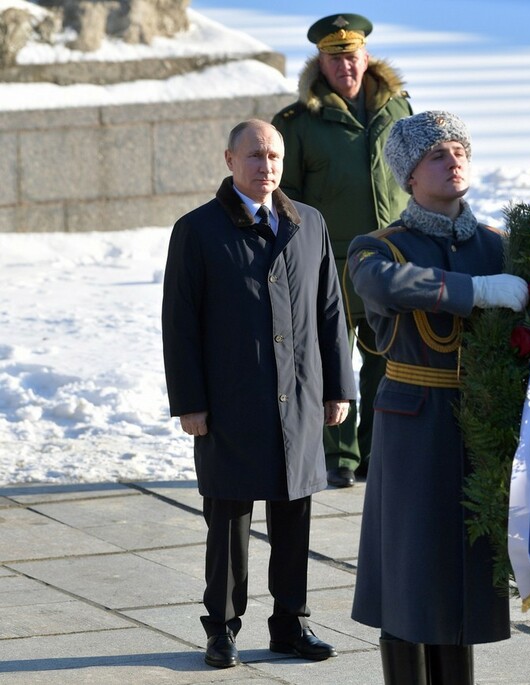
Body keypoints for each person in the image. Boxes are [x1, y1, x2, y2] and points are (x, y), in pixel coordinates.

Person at [161, 119, 356, 669]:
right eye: (254, 156)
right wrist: (190, 403)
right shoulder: (196, 230)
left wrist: (338, 386)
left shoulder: (308, 223)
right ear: (229, 160)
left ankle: (291, 624)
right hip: (230, 401)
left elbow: (330, 311)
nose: (266, 166)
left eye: (273, 155)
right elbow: (180, 325)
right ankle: (221, 628)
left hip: (299, 397)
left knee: (294, 512)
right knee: (228, 519)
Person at [347, 111, 529, 684]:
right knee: (410, 572)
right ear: (408, 177)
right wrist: (472, 291)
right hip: (414, 423)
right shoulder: (380, 247)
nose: (452, 162)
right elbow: (380, 285)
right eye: (436, 155)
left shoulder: (497, 246)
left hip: (481, 420)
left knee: (467, 578)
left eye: (458, 151)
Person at [272, 13, 413, 488]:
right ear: (321, 64)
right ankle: (340, 457)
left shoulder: (398, 109)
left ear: (366, 57)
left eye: (351, 57)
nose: (345, 68)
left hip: (392, 259)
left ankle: (375, 452)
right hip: (328, 261)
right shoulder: (298, 123)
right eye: (334, 61)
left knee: (385, 359)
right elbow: (284, 195)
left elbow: (415, 179)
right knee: (331, 359)